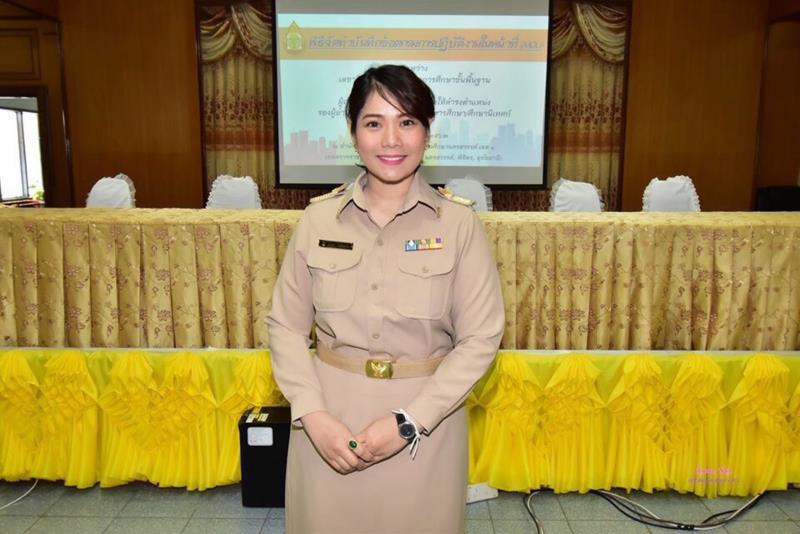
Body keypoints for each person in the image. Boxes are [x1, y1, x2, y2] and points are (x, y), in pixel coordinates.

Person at [267, 64, 505, 534]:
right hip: (328, 428)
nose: (391, 140)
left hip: (425, 433)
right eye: (374, 123)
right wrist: (312, 414)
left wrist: (408, 422)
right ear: (353, 133)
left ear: (427, 133)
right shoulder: (318, 220)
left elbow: (481, 338)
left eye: (407, 122)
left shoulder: (458, 225)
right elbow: (285, 326)